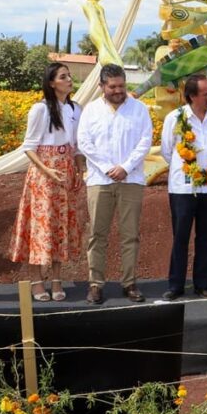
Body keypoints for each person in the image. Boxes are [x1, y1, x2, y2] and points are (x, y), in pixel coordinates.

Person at [77, 64, 153, 304]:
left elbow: (145, 141)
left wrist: (125, 167)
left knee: (130, 234)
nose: (119, 90)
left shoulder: (139, 109)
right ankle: (96, 284)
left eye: (122, 85)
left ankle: (129, 283)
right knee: (97, 234)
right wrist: (107, 167)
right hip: (100, 180)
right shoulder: (90, 111)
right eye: (113, 86)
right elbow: (84, 143)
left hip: (131, 180)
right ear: (102, 86)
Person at [9, 63, 85, 302]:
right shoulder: (40, 109)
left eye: (69, 75)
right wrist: (48, 171)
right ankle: (36, 281)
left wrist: (80, 169)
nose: (69, 79)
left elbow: (77, 146)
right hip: (44, 174)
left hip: (66, 171)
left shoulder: (75, 109)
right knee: (41, 227)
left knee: (61, 227)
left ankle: (56, 279)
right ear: (52, 83)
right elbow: (29, 147)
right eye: (63, 76)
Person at [160, 75, 207, 301]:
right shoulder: (175, 118)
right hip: (183, 189)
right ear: (192, 96)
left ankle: (203, 284)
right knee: (181, 237)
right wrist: (188, 170)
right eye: (206, 93)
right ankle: (176, 285)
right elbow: (167, 151)